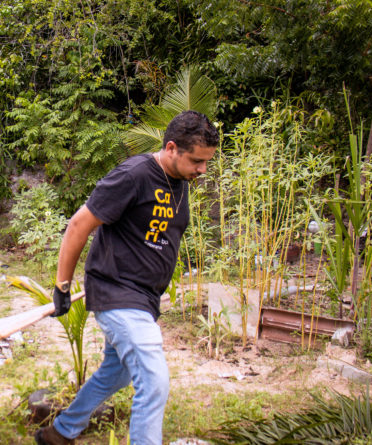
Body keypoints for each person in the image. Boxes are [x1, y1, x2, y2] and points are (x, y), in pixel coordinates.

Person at [35, 111, 219, 445]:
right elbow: (79, 225)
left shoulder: (180, 181)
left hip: (145, 298)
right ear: (172, 147)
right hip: (117, 290)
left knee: (116, 372)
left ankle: (60, 433)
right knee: (154, 379)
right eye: (197, 161)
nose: (202, 170)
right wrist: (62, 285)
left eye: (206, 162)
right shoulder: (133, 175)